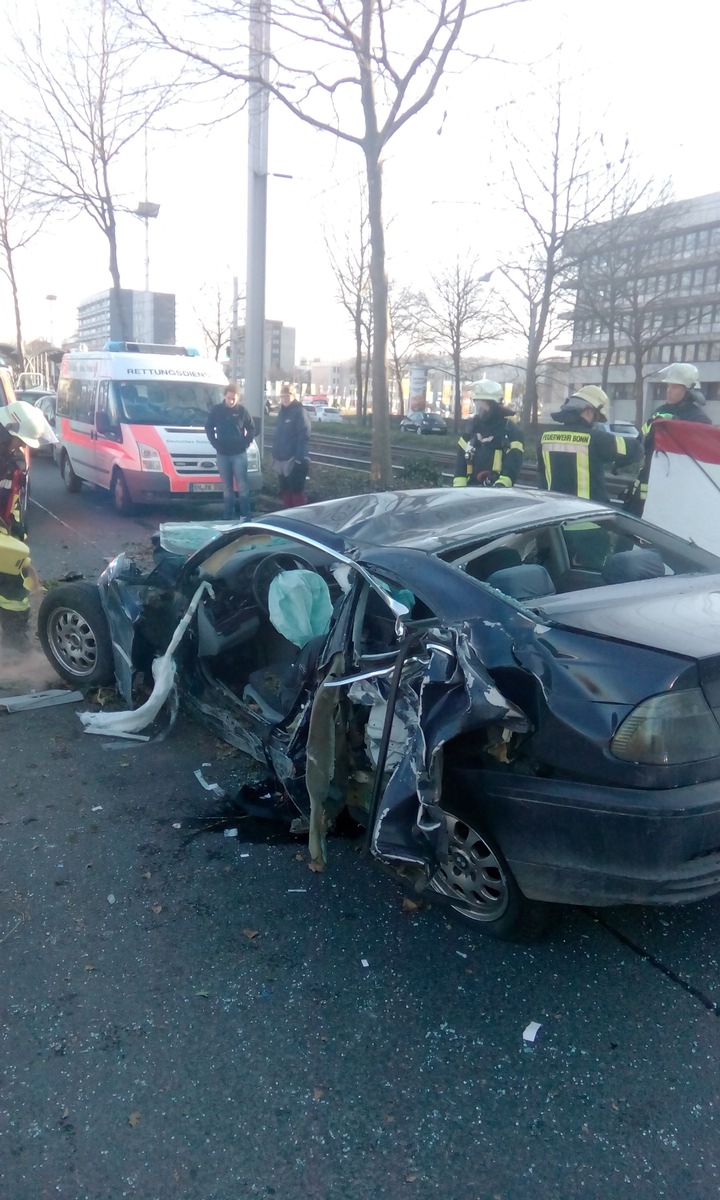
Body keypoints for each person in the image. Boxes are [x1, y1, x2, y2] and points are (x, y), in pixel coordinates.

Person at [0, 401, 56, 647]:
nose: (22, 446)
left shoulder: (7, 461)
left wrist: (16, 534)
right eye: (20, 440)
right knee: (13, 592)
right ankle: (15, 651)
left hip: (6, 536)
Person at [624, 363, 712, 516]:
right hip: (646, 484)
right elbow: (641, 441)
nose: (668, 391)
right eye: (668, 386)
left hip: (675, 489)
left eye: (675, 387)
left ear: (689, 390)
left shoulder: (699, 419)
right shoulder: (660, 411)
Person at [538, 385, 642, 504]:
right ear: (588, 411)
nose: (595, 423)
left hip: (554, 511)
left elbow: (541, 475)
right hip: (588, 513)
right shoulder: (596, 439)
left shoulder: (544, 437)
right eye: (596, 417)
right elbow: (635, 449)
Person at [453, 380, 524, 488]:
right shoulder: (471, 429)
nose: (479, 410)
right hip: (469, 491)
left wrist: (501, 485)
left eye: (482, 406)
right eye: (477, 405)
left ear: (493, 405)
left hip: (496, 493)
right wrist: (459, 490)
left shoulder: (511, 431)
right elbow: (460, 465)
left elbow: (513, 464)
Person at [205, 384, 256, 520]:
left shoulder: (242, 411)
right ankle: (228, 516)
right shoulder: (217, 410)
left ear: (237, 398)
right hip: (223, 454)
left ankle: (246, 515)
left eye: (234, 399)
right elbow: (209, 427)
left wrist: (245, 443)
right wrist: (215, 443)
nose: (231, 401)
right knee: (227, 487)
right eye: (229, 398)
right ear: (224, 396)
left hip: (239, 453)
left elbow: (251, 428)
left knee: (242, 486)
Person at [271, 383, 310, 507]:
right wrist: (274, 454)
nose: (284, 399)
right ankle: (287, 514)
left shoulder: (299, 412)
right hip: (280, 459)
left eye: (287, 396)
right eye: (282, 396)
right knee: (285, 491)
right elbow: (278, 435)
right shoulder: (282, 413)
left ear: (293, 396)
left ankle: (298, 517)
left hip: (293, 459)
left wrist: (299, 458)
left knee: (296, 491)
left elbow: (304, 435)